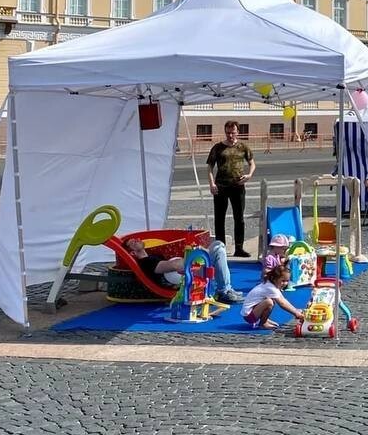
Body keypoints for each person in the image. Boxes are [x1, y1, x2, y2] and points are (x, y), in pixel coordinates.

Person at [123, 235, 244, 304]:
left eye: (135, 239)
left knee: (218, 245)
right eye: (133, 242)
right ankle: (224, 290)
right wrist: (194, 255)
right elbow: (174, 266)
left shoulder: (152, 256)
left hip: (188, 270)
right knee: (218, 249)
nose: (137, 240)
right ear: (132, 253)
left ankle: (225, 289)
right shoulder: (146, 262)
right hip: (187, 273)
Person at [206, 121, 256, 257]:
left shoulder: (243, 147)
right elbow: (210, 167)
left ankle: (239, 247)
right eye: (228, 132)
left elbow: (252, 163)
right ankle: (220, 247)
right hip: (221, 187)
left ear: (238, 132)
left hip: (238, 187)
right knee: (219, 218)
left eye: (233, 132)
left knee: (239, 218)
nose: (230, 135)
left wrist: (249, 175)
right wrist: (212, 184)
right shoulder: (218, 147)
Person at [241, 263, 306, 330]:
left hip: (252, 312)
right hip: (249, 316)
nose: (285, 283)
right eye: (283, 281)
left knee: (270, 301)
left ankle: (264, 320)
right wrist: (296, 313)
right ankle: (262, 323)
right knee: (269, 302)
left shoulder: (272, 284)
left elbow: (283, 299)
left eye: (287, 281)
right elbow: (282, 303)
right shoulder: (271, 288)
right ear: (274, 279)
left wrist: (296, 310)